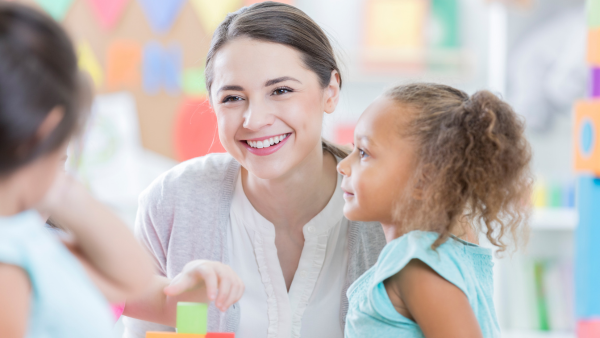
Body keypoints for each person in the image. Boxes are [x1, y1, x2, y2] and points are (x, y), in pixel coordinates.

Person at [123, 2, 386, 338]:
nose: (254, 119)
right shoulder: (172, 201)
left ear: (330, 91)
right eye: (233, 98)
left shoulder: (388, 205)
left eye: (281, 91)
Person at [0, 3, 154, 337]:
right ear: (49, 130)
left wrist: (50, 180)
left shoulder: (25, 236)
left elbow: (134, 277)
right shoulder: (9, 259)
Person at [338, 83, 532, 337]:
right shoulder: (447, 250)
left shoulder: (416, 262)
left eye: (363, 152)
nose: (343, 165)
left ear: (424, 180)